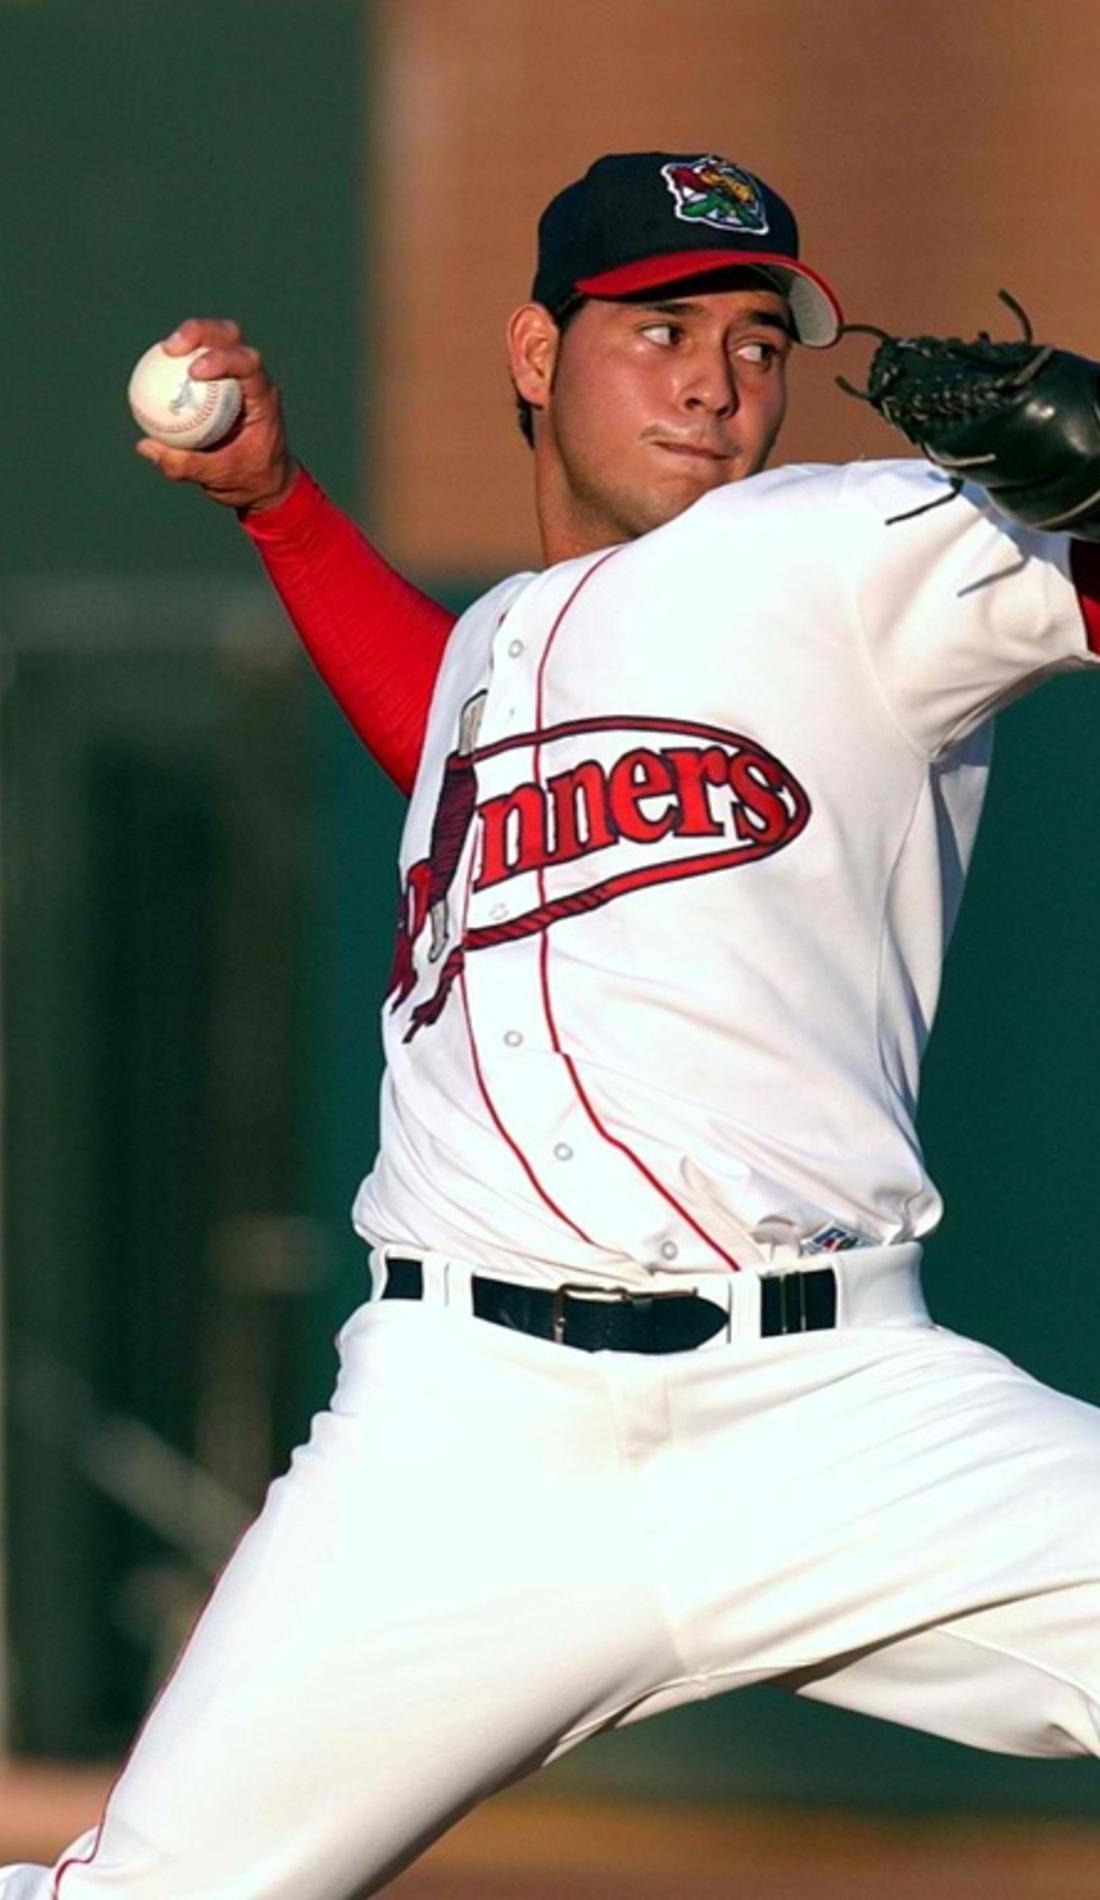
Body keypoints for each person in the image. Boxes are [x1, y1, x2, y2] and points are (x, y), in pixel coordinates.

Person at [7, 149, 1100, 1900]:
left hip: (835, 1406)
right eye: (656, 325)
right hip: (460, 1430)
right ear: (534, 354)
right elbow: (453, 743)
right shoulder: (501, 650)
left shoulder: (841, 549)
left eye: (758, 340)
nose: (716, 379)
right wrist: (283, 508)